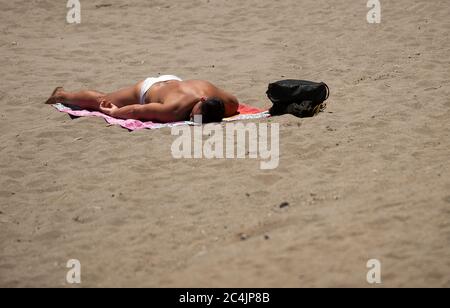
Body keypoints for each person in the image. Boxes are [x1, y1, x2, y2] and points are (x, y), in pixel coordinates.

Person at [45, 75, 239, 123]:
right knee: (101, 101)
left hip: (174, 82)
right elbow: (137, 110)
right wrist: (113, 112)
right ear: (203, 100)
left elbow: (234, 103)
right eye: (194, 116)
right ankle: (62, 95)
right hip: (148, 89)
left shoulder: (227, 104)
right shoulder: (173, 110)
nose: (191, 118)